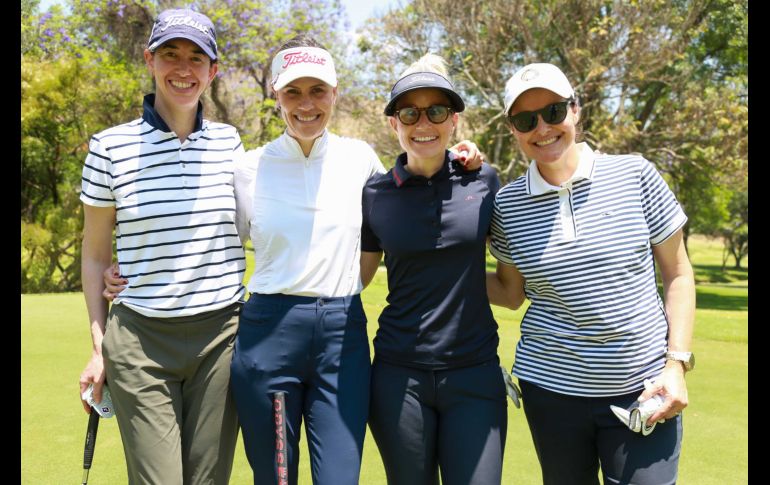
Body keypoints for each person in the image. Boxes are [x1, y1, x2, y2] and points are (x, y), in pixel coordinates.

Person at [227, 36, 484, 485]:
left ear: (335, 93)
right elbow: (217, 247)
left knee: (340, 477)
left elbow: (415, 184)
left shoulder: (360, 159)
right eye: (293, 92)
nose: (306, 105)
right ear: (275, 95)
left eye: (317, 91)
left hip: (340, 334)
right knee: (276, 477)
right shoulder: (248, 169)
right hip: (269, 333)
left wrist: (464, 156)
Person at [487, 62, 696, 485]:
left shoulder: (635, 174)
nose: (542, 127)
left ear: (576, 110)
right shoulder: (507, 206)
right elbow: (511, 293)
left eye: (553, 111)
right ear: (512, 129)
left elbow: (677, 273)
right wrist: (431, 271)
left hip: (643, 386)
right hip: (552, 391)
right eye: (526, 120)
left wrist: (677, 365)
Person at [78, 9, 245, 484]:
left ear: (213, 71)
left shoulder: (231, 145)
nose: (184, 68)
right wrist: (98, 347)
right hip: (140, 343)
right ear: (150, 60)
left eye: (197, 58)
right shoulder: (109, 148)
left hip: (222, 340)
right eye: (171, 54)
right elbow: (93, 255)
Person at [360, 53, 508, 485]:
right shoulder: (374, 193)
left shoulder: (485, 181)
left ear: (454, 120)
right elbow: (357, 277)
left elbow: (511, 282)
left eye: (437, 110)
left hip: (474, 373)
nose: (423, 123)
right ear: (394, 124)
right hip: (398, 377)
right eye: (410, 112)